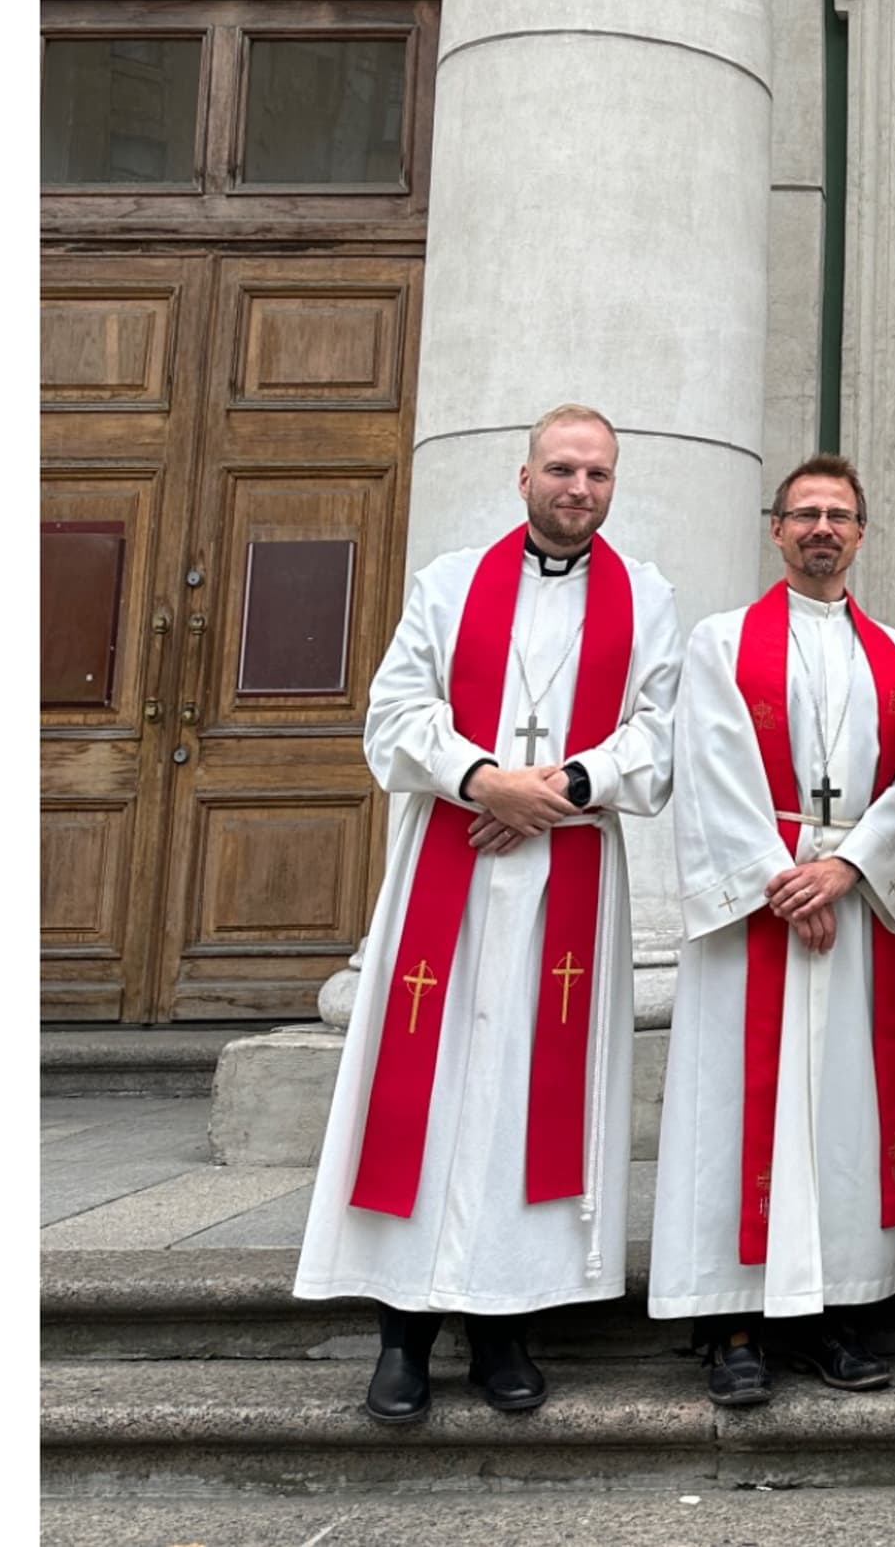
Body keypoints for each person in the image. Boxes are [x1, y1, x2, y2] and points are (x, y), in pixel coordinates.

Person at [293, 405, 683, 1424]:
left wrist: (557, 787)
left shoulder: (646, 596)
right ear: (524, 476)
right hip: (449, 875)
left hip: (569, 877)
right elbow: (395, 710)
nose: (579, 488)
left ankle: (509, 1323)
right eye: (562, 468)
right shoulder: (449, 582)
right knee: (428, 1091)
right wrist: (480, 780)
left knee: (531, 1093)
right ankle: (403, 1334)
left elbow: (660, 732)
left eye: (597, 472)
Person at [649, 455, 895, 1404]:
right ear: (776, 529)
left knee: (845, 1111)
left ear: (862, 534)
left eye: (839, 515)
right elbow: (711, 773)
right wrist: (781, 882)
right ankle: (731, 1321)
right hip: (756, 918)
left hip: (850, 907)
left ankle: (837, 1310)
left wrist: (844, 871)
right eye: (805, 513)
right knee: (738, 1105)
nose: (822, 529)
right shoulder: (721, 643)